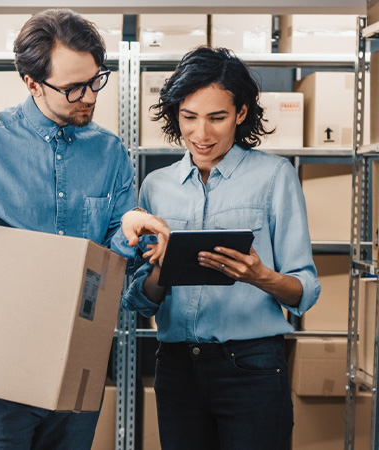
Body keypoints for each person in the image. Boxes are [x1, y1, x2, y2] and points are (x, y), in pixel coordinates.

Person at [0, 9, 171, 450]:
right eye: (73, 87)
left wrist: (129, 231)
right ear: (31, 83)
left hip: (79, 361)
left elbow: (111, 259)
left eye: (96, 80)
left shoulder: (111, 153)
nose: (89, 96)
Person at [121, 46, 321, 450]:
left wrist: (261, 277)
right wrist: (161, 268)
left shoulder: (275, 176)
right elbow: (141, 302)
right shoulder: (155, 187)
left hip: (252, 366)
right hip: (176, 367)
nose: (201, 134)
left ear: (241, 113)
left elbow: (306, 290)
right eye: (189, 118)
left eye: (217, 118)